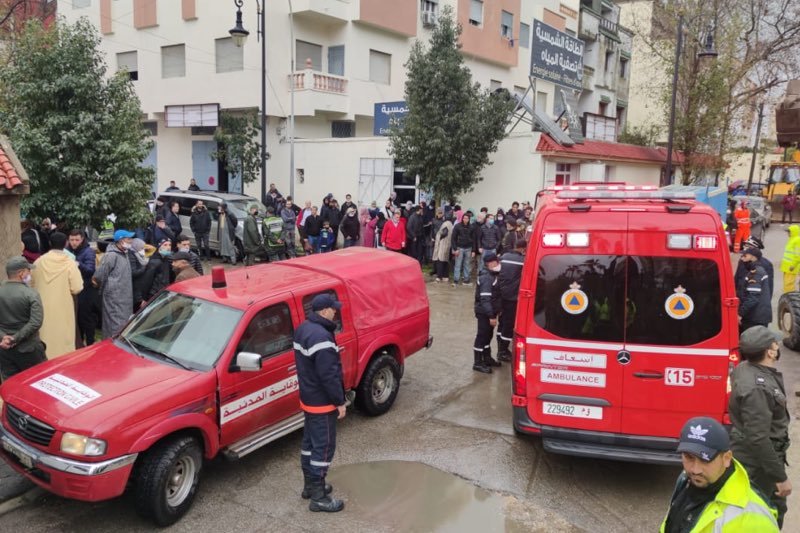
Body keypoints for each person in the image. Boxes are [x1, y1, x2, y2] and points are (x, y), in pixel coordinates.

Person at [659, 416, 779, 533]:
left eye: (705, 460)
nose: (695, 470)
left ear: (726, 458)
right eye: (689, 457)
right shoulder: (686, 479)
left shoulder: (751, 518)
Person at [729, 326, 792, 528]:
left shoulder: (745, 368)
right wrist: (779, 478)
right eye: (775, 343)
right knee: (769, 508)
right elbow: (758, 438)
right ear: (769, 352)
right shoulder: (758, 387)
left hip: (754, 455)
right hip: (758, 464)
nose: (778, 345)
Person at [294, 294, 346, 513]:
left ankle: (309, 486)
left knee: (309, 445)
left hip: (308, 397)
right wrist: (340, 401)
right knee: (324, 448)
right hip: (322, 402)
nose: (335, 311)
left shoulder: (303, 329)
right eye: (333, 309)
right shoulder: (322, 337)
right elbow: (329, 375)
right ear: (324, 311)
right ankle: (319, 497)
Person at [31, 232, 83, 358]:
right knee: (63, 340)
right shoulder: (70, 263)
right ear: (65, 243)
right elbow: (77, 288)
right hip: (63, 308)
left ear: (49, 243)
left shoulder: (38, 262)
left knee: (46, 337)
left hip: (43, 307)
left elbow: (31, 284)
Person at [0, 257, 46, 380]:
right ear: (21, 273)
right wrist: (15, 338)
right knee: (37, 381)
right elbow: (36, 322)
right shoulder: (31, 293)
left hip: (4, 350)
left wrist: (4, 337)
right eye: (28, 271)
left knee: (10, 384)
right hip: (29, 348)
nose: (29, 273)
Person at [93, 230, 135, 339]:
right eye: (128, 239)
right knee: (114, 327)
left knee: (123, 327)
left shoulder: (125, 253)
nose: (131, 241)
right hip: (114, 299)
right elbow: (99, 275)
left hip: (124, 298)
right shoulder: (111, 255)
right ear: (121, 241)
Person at [496, 238, 526, 362]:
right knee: (509, 324)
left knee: (501, 321)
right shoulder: (523, 261)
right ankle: (503, 351)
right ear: (523, 248)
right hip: (512, 297)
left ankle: (499, 346)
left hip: (500, 294)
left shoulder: (504, 256)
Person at [67, 230, 97, 347]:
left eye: (76, 240)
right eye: (71, 240)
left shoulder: (88, 251)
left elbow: (90, 270)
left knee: (85, 317)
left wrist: (78, 264)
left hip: (85, 289)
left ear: (82, 239)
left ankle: (90, 342)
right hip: (71, 289)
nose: (74, 242)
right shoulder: (67, 251)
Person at [473, 251, 501, 374]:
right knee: (482, 336)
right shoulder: (486, 277)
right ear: (489, 263)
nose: (498, 264)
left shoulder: (492, 275)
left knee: (488, 336)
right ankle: (478, 363)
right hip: (484, 313)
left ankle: (487, 358)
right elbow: (485, 299)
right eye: (496, 262)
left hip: (490, 312)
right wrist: (491, 315)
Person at [738, 248, 771, 333]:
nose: (742, 258)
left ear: (753, 257)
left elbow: (753, 298)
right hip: (756, 317)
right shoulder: (755, 271)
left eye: (745, 256)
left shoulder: (756, 273)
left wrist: (740, 313)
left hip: (754, 318)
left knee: (753, 344)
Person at [133, 241, 169, 310]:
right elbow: (146, 282)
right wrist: (143, 298)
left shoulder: (165, 259)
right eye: (165, 245)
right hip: (153, 296)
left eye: (170, 245)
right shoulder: (155, 262)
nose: (168, 247)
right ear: (159, 247)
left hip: (161, 294)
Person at [451, 213, 476, 286]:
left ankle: (466, 280)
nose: (465, 220)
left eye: (467, 218)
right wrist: (455, 249)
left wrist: (473, 250)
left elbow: (474, 239)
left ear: (469, 219)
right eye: (464, 218)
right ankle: (456, 280)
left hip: (469, 248)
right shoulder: (457, 226)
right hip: (459, 247)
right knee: (458, 264)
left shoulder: (472, 227)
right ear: (462, 218)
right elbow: (453, 238)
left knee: (467, 264)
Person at [432, 212, 453, 282]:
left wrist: (440, 237)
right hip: (448, 245)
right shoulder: (451, 224)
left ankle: (439, 276)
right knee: (445, 261)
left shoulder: (445, 224)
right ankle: (445, 276)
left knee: (440, 260)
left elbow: (444, 233)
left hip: (442, 245)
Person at [780, 224, 800, 293]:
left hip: (791, 267)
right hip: (787, 267)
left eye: (789, 232)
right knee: (787, 284)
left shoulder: (797, 240)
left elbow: (798, 255)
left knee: (789, 285)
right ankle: (787, 298)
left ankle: (790, 299)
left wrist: (793, 265)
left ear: (793, 232)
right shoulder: (791, 239)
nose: (788, 233)